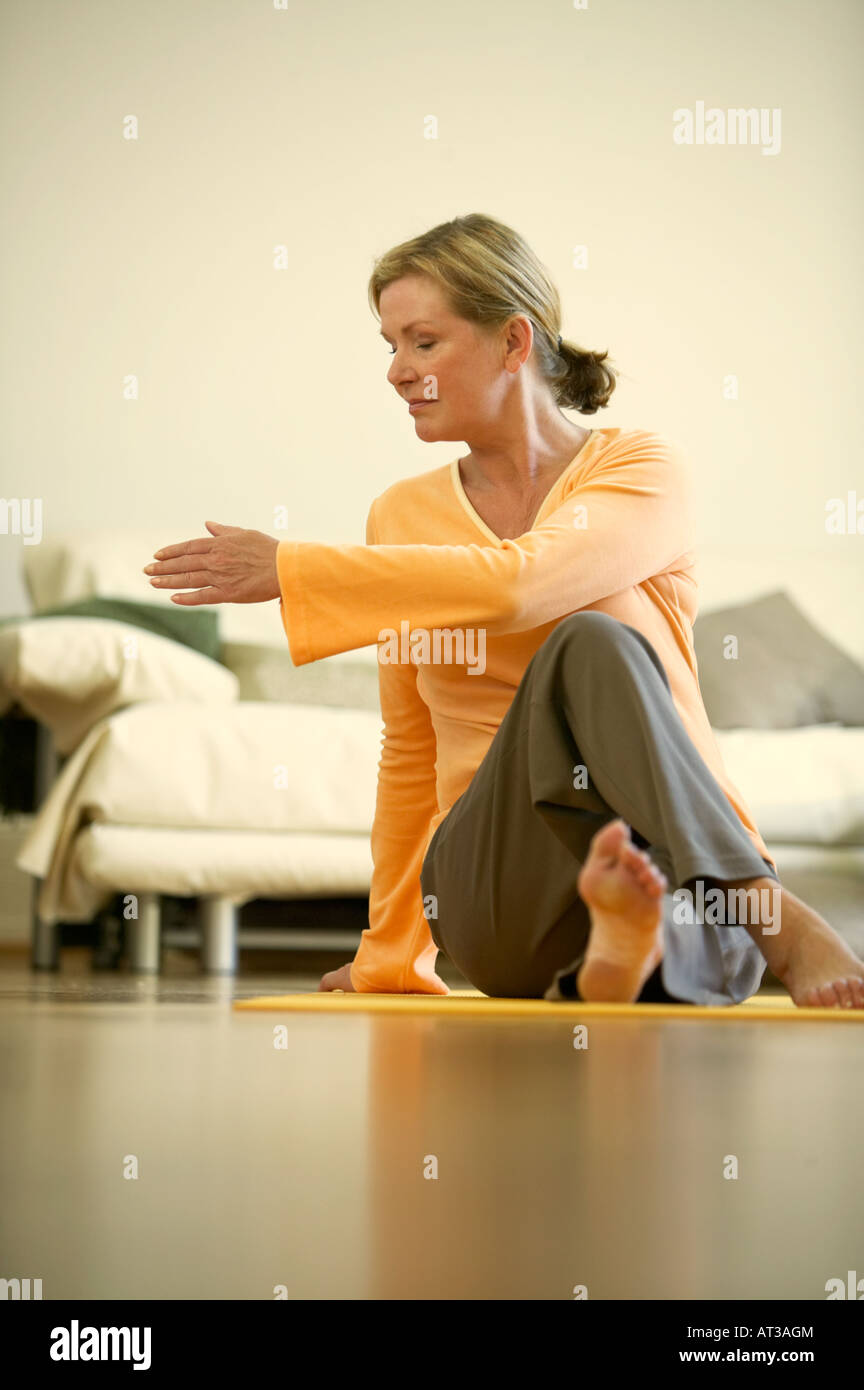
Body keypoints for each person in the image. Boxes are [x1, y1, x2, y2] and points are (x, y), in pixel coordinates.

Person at [143, 213, 864, 1009]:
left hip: (689, 883)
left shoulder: (641, 470)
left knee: (590, 644)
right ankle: (691, 937)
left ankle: (633, 954)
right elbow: (411, 755)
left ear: (515, 343)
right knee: (582, 654)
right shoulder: (401, 516)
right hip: (500, 895)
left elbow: (522, 584)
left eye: (423, 341)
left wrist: (293, 569)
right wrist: (389, 952)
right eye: (390, 346)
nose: (395, 370)